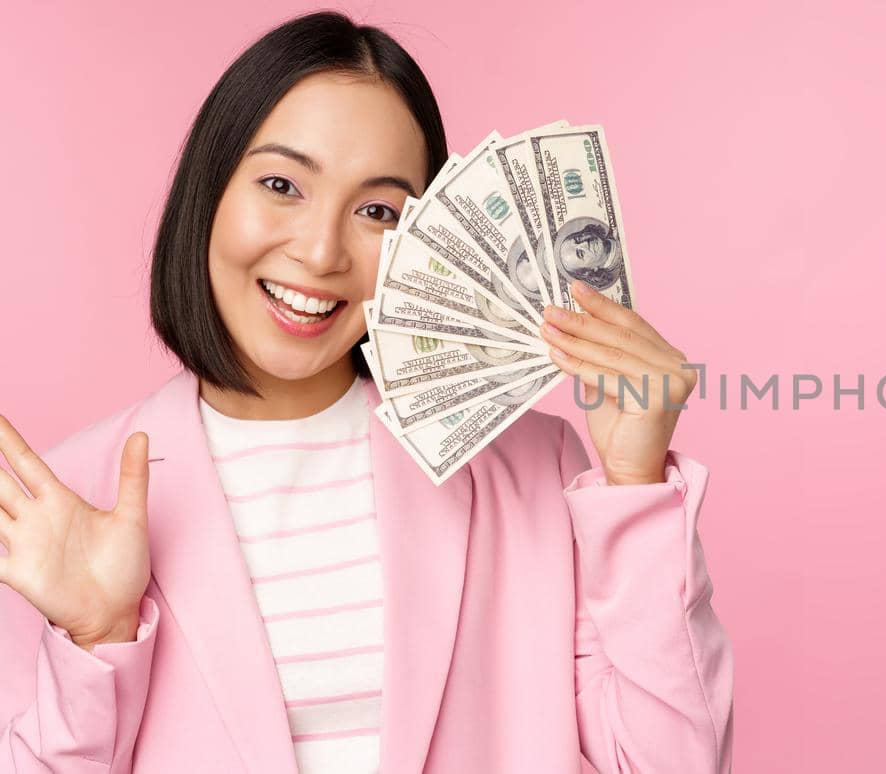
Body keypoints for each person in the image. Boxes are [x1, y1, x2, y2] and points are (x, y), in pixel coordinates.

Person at [0, 11, 732, 774]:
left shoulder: (532, 470)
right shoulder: (61, 507)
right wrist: (98, 641)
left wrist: (636, 488)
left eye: (377, 210)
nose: (320, 252)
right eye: (282, 184)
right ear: (208, 189)